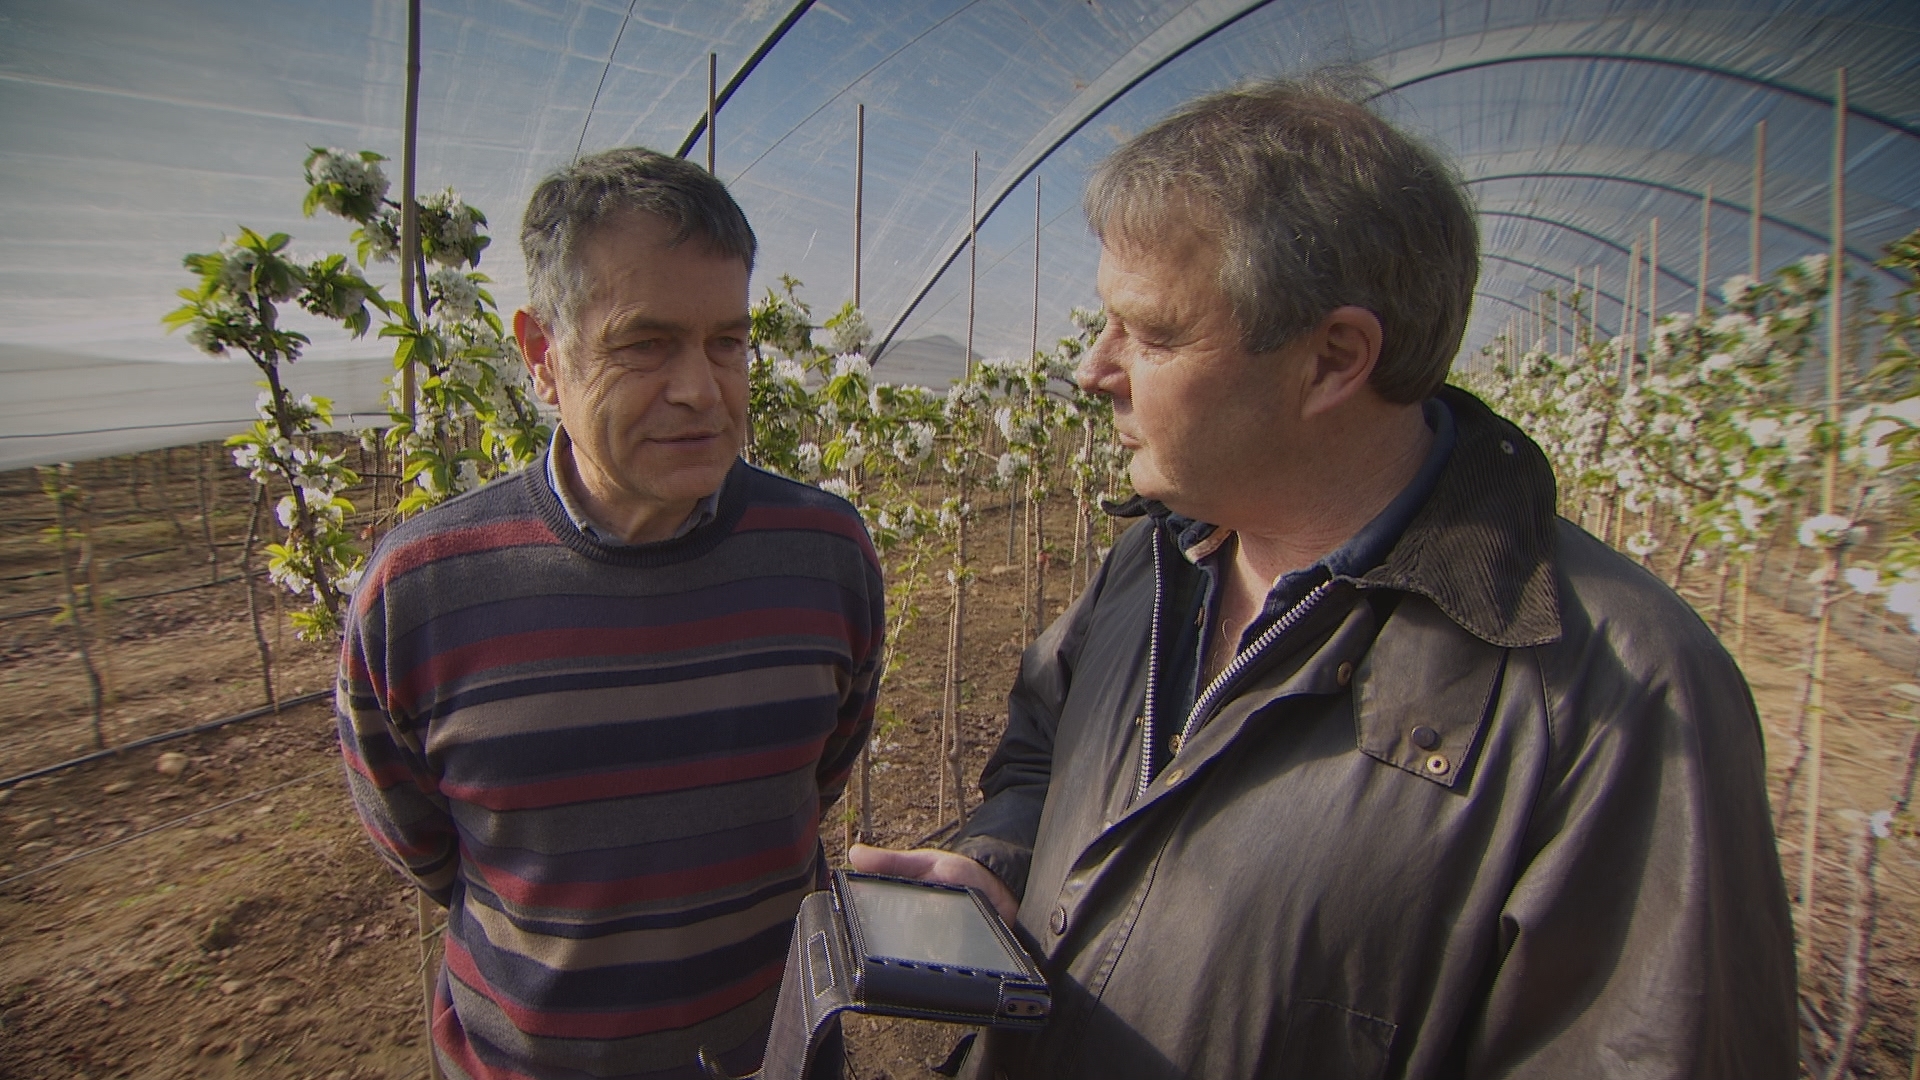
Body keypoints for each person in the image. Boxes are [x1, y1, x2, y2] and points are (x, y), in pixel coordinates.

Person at [851, 67, 1796, 1078]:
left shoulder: (1618, 696)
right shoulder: (1158, 558)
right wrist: (1000, 864)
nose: (1094, 368)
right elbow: (1042, 750)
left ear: (1334, 359)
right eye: (1105, 321)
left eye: (1154, 332)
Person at [338, 148, 882, 1080]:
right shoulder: (421, 591)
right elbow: (424, 844)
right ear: (542, 357)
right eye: (646, 343)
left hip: (776, 1057)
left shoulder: (826, 554)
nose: (701, 390)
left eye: (728, 342)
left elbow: (815, 778)